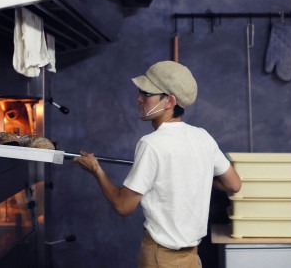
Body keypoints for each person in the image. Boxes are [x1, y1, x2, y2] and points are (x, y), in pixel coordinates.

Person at [73, 60, 242, 268]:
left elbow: (123, 206)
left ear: (170, 101)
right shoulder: (203, 137)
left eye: (146, 94)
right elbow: (234, 184)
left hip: (160, 259)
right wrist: (196, 174)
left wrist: (96, 170)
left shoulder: (151, 144)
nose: (139, 98)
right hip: (192, 259)